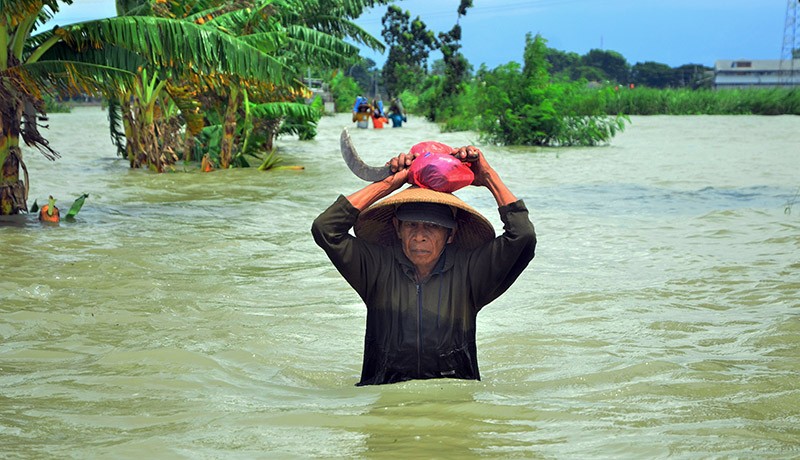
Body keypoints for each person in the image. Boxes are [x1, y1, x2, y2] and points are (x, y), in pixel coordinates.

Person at [311, 145, 536, 386]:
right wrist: (390, 183)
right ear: (398, 228)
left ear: (451, 234)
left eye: (432, 226)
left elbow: (522, 235)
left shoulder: (470, 272)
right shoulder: (376, 267)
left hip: (454, 399)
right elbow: (326, 229)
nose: (420, 236)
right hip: (384, 400)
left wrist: (488, 176)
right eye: (411, 225)